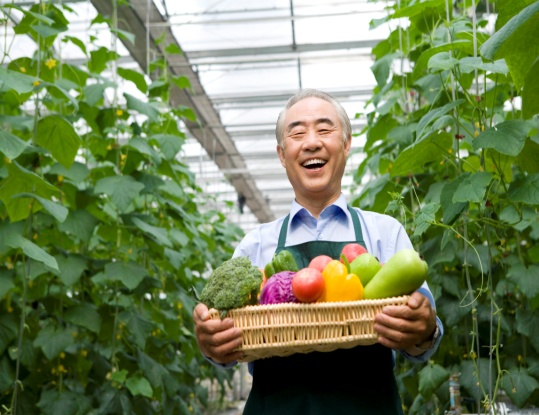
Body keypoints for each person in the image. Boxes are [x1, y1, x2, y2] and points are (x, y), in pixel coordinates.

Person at [193, 89, 443, 415]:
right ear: (282, 155)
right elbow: (223, 338)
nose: (311, 142)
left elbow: (425, 330)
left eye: (325, 130)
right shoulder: (255, 243)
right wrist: (212, 343)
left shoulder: (384, 232)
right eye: (297, 133)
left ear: (347, 144)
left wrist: (423, 328)